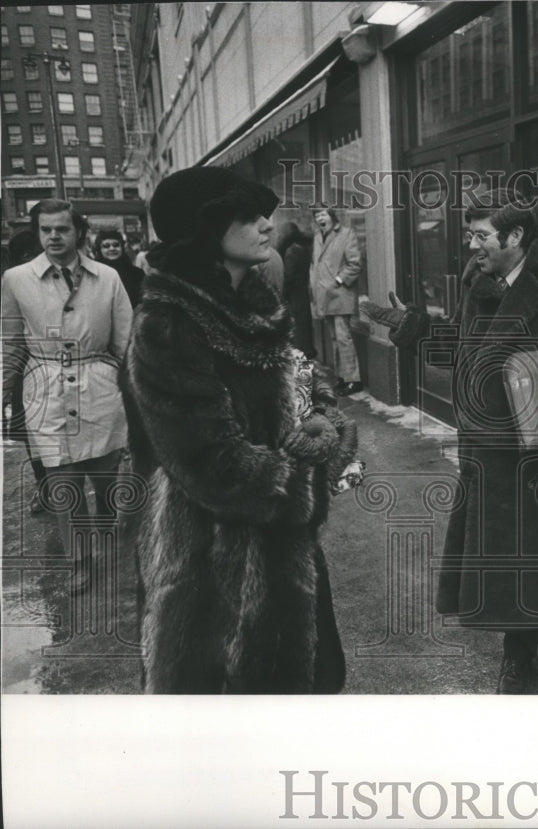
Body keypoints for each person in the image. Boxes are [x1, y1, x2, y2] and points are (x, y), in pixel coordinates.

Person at [362, 188, 538, 694]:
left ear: (515, 236)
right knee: (509, 563)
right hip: (493, 452)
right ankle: (517, 655)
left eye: (481, 236)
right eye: (470, 236)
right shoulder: (478, 282)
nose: (472, 247)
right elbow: (465, 353)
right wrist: (413, 327)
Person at [121, 167, 349, 693]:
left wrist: (325, 424)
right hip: (209, 564)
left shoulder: (253, 305)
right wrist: (308, 481)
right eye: (246, 217)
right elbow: (209, 464)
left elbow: (305, 387)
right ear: (205, 234)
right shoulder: (169, 324)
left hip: (278, 549)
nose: (265, 226)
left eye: (262, 214)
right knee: (229, 731)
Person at [1, 200, 133, 593]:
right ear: (38, 233)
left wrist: (134, 392)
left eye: (62, 229)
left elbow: (126, 341)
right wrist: (5, 387)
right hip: (45, 388)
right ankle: (80, 560)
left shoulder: (107, 277)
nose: (54, 236)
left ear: (78, 232)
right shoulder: (16, 279)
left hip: (100, 386)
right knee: (64, 483)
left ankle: (106, 538)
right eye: (46, 230)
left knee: (106, 479)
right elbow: (9, 341)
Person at [2, 230, 47, 514]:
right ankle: (44, 486)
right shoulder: (13, 284)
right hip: (26, 371)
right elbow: (9, 338)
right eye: (25, 257)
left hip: (67, 367)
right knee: (33, 433)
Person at [311, 208, 363, 395]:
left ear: (332, 216)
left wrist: (338, 281)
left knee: (344, 338)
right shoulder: (318, 236)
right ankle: (342, 377)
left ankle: (353, 380)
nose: (319, 218)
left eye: (323, 214)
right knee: (335, 338)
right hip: (324, 296)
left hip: (340, 294)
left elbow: (355, 264)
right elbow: (315, 265)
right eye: (317, 215)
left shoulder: (346, 234)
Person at [277, 221, 315, 357]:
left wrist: (283, 296)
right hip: (302, 296)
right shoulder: (303, 249)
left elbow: (288, 277)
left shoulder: (291, 251)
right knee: (305, 339)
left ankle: (302, 378)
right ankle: (305, 377)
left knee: (298, 341)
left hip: (294, 299)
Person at [92, 229, 145, 308]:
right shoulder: (92, 274)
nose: (112, 248)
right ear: (99, 250)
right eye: (106, 246)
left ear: (122, 248)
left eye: (116, 245)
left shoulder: (136, 273)